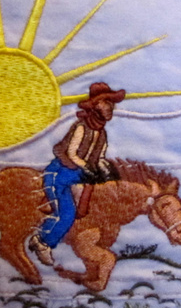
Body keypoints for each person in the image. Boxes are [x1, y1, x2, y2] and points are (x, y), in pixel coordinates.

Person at [29, 82, 125, 266]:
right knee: (66, 214)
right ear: (95, 107)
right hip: (61, 172)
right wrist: (87, 168)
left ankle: (39, 238)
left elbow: (100, 156)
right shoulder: (81, 127)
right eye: (105, 102)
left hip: (79, 173)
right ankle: (44, 243)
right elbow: (71, 154)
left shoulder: (102, 133)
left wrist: (103, 167)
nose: (110, 107)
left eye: (111, 103)